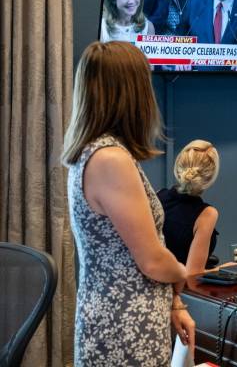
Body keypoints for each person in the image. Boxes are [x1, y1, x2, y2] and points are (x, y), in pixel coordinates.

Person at [64, 41, 195, 365]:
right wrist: (183, 273)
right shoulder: (110, 160)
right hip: (124, 327)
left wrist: (173, 303)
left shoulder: (93, 151)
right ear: (131, 93)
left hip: (121, 318)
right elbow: (151, 260)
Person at [158, 140, 220, 275]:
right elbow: (192, 274)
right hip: (181, 291)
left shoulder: (158, 196)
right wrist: (223, 270)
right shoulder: (207, 215)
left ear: (177, 168)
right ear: (210, 178)